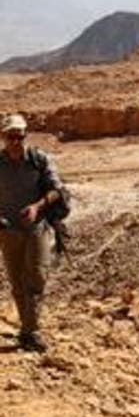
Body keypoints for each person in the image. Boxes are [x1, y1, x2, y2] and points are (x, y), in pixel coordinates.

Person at [0, 114, 64, 352]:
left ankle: (31, 330)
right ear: (3, 137)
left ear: (25, 135)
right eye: (10, 137)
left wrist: (37, 207)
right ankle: (26, 330)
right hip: (8, 231)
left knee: (36, 278)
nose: (15, 141)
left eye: (19, 136)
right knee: (17, 282)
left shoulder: (39, 160)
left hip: (36, 229)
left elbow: (57, 189)